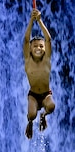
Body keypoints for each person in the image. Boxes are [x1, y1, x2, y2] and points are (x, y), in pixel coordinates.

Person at [23, 8, 55, 139]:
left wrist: (40, 20)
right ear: (30, 49)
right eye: (35, 46)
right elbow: (26, 40)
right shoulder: (27, 59)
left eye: (41, 46)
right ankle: (30, 123)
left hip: (46, 94)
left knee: (51, 106)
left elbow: (48, 39)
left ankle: (43, 116)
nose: (38, 48)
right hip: (33, 96)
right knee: (31, 114)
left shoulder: (46, 59)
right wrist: (31, 20)